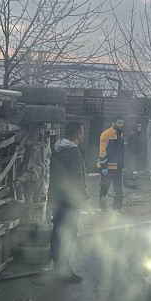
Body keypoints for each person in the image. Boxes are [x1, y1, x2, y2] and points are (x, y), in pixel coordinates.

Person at [49, 120, 88, 282]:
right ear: (78, 134)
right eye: (82, 132)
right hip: (70, 203)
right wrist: (84, 198)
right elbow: (76, 180)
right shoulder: (74, 153)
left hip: (56, 200)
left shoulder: (57, 149)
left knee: (57, 233)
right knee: (69, 235)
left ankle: (57, 266)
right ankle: (64, 270)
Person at [98, 117, 125, 213]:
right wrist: (104, 166)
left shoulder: (120, 135)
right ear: (113, 122)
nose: (121, 125)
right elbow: (102, 151)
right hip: (108, 167)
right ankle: (102, 207)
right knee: (104, 188)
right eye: (119, 122)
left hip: (118, 167)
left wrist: (122, 164)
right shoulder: (106, 134)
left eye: (122, 123)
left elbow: (121, 151)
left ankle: (116, 208)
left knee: (118, 188)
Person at [126, 122, 144, 187]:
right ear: (135, 126)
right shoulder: (131, 133)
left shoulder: (137, 134)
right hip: (131, 153)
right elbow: (134, 141)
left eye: (141, 126)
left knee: (132, 166)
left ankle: (130, 177)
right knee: (129, 166)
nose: (140, 128)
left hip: (135, 153)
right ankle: (126, 181)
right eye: (139, 126)